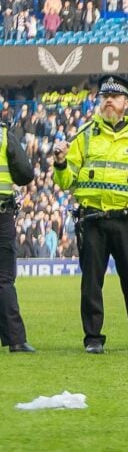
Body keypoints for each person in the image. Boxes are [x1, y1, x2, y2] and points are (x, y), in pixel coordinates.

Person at [52, 75, 128, 353]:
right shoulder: (85, 134)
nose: (109, 102)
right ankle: (93, 339)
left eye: (114, 97)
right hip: (93, 220)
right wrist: (61, 162)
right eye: (105, 97)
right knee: (91, 283)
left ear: (126, 102)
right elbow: (67, 181)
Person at [0, 122, 35, 352]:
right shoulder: (3, 134)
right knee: (3, 279)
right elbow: (24, 174)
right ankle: (15, 340)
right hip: (1, 214)